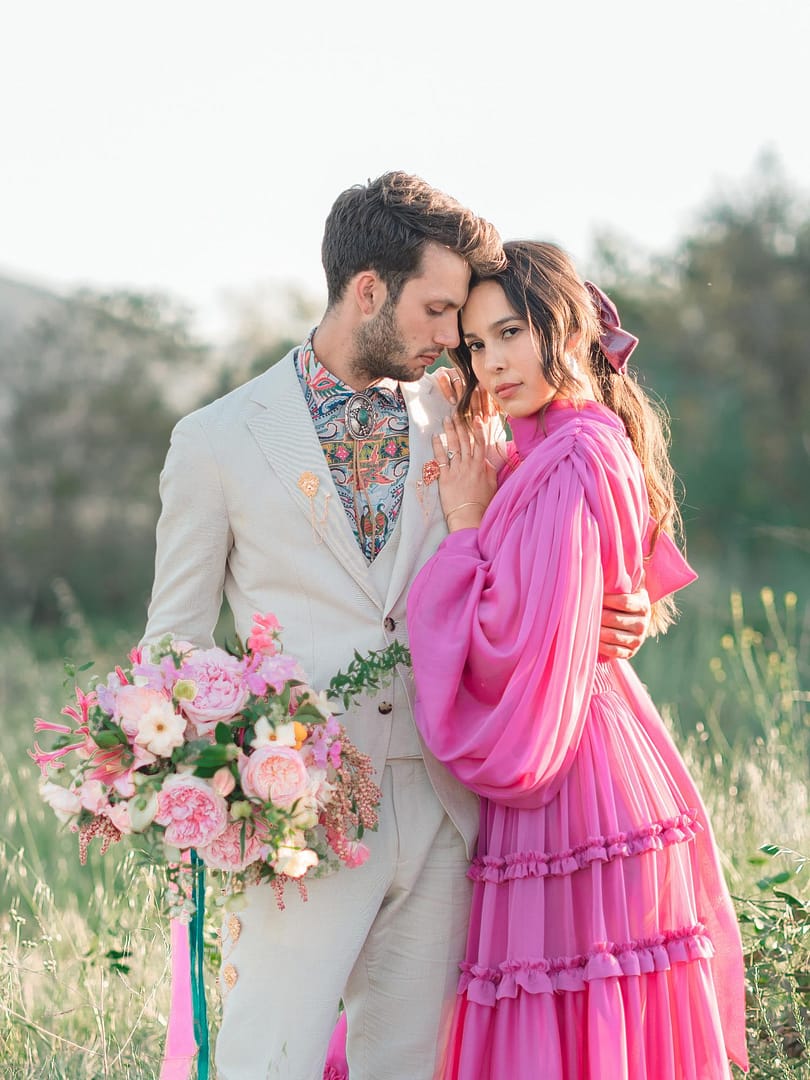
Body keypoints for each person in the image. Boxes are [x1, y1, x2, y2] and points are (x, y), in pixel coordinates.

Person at [142, 177, 651, 1080]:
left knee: (412, 1064)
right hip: (302, 812)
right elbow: (175, 644)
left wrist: (620, 607)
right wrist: (247, 777)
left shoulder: (470, 410)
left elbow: (561, 531)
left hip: (452, 803)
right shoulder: (215, 440)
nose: (455, 335)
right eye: (438, 308)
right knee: (273, 1055)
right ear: (368, 288)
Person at [407, 241, 749, 1079]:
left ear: (560, 327)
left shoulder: (574, 456)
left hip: (573, 778)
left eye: (511, 333)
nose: (491, 363)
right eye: (477, 345)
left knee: (570, 1010)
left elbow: (508, 641)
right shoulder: (553, 443)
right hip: (590, 746)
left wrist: (462, 527)